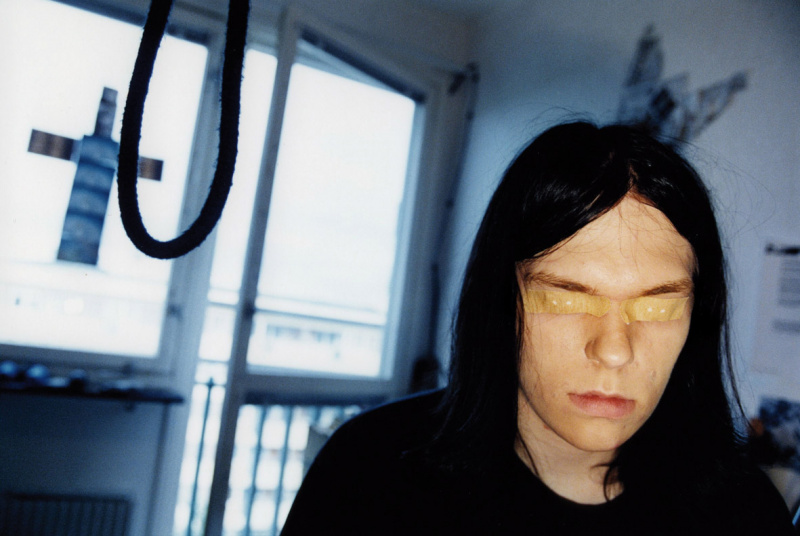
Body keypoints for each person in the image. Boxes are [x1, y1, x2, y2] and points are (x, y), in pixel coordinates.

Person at [281, 122, 795, 534]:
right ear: (502, 300)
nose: (614, 350)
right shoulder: (369, 476)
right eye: (566, 299)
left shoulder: (746, 518)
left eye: (658, 308)